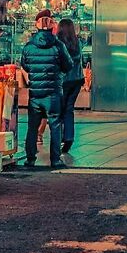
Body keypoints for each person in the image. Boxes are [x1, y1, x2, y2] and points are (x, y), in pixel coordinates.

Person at [20, 9, 73, 169]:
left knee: (32, 127)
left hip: (35, 93)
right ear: (52, 27)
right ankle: (55, 160)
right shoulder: (58, 46)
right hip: (53, 93)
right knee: (55, 125)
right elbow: (68, 65)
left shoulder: (29, 47)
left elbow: (25, 65)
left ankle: (30, 158)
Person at [57, 18, 84, 153]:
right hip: (77, 80)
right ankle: (69, 137)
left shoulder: (58, 43)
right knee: (69, 109)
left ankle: (61, 136)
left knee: (60, 109)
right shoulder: (76, 42)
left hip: (64, 81)